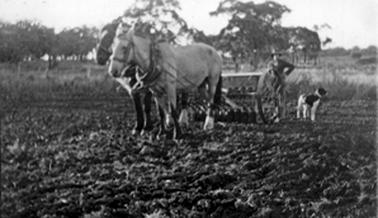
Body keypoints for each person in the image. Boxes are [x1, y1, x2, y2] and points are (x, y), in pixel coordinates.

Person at [267, 51, 295, 121]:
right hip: (273, 82)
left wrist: (286, 73)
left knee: (281, 98)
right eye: (274, 55)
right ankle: (275, 114)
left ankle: (281, 116)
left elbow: (292, 66)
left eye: (277, 55)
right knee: (274, 98)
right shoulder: (270, 63)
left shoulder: (282, 63)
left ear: (279, 56)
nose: (276, 56)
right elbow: (268, 72)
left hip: (281, 82)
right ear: (273, 56)